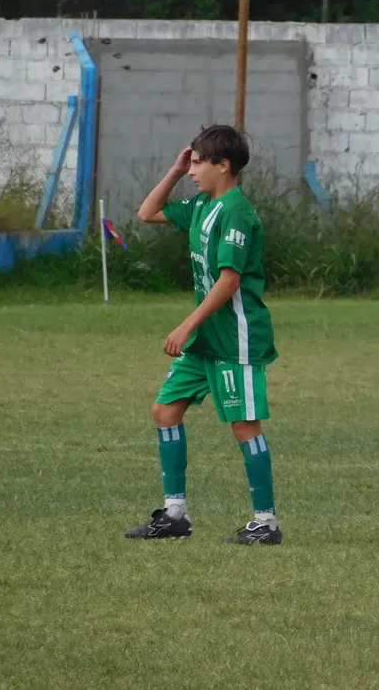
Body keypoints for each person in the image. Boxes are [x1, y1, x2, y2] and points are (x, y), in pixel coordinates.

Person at [125, 124, 282, 545]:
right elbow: (147, 213)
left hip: (234, 337)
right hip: (205, 340)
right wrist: (175, 172)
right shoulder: (200, 206)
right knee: (165, 410)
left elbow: (230, 280)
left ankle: (265, 522)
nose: (192, 170)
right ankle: (175, 514)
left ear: (223, 165)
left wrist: (186, 324)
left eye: (197, 163)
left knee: (245, 425)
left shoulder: (236, 212)